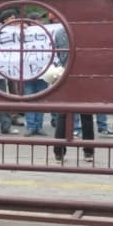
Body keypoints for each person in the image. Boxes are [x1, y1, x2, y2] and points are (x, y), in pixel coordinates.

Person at [50, 25, 94, 163]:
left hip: (66, 75)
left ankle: (59, 152)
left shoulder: (60, 32)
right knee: (86, 115)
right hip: (84, 76)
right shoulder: (87, 31)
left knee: (63, 115)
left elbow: (58, 54)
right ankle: (88, 151)